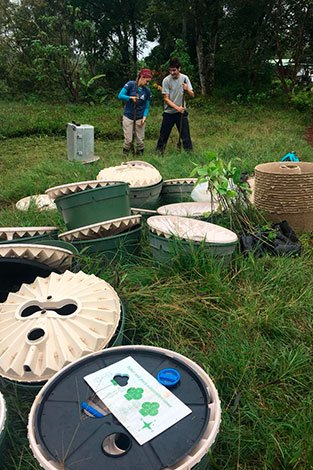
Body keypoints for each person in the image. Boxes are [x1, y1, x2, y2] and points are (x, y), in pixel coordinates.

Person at [156, 57, 194, 154]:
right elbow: (166, 98)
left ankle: (190, 154)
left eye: (174, 70)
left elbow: (192, 94)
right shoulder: (166, 80)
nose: (172, 72)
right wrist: (177, 108)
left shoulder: (185, 78)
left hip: (181, 112)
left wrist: (187, 89)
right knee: (163, 135)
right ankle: (159, 153)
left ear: (179, 69)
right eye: (170, 70)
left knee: (185, 136)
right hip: (169, 112)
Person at [118, 68, 153, 155]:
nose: (147, 83)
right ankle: (125, 155)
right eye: (147, 81)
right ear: (142, 77)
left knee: (140, 140)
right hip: (128, 116)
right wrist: (130, 98)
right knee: (128, 140)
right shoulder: (131, 84)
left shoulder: (147, 91)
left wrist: (144, 116)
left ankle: (139, 156)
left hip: (140, 117)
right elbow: (120, 95)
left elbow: (147, 106)